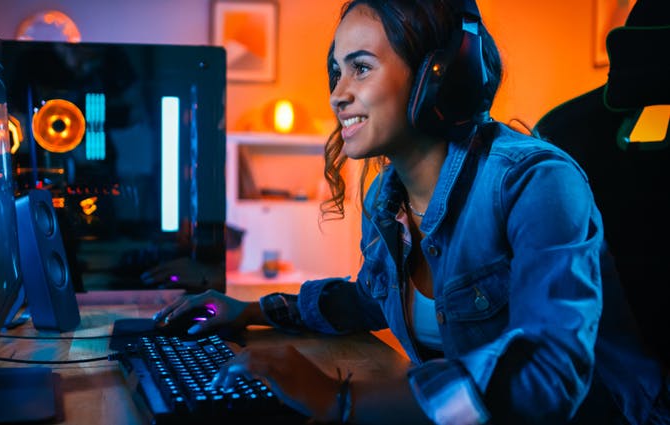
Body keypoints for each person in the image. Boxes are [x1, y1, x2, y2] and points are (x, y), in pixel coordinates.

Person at [151, 0, 670, 423]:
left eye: (360, 67)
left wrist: (340, 401)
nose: (337, 94)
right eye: (336, 71)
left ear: (437, 78)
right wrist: (252, 312)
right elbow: (369, 300)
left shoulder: (535, 181)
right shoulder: (386, 196)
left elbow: (548, 377)